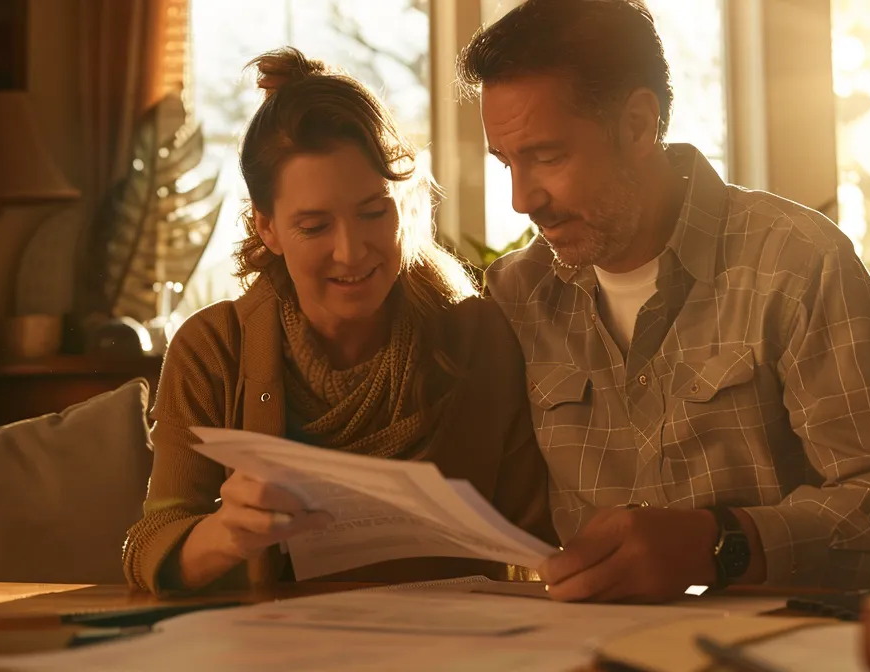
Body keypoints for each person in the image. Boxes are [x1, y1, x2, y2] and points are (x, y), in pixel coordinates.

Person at [459, 0, 870, 602]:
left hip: (772, 649)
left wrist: (721, 545)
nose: (522, 200)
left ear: (638, 125)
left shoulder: (795, 263)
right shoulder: (515, 295)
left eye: (548, 156)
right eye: (506, 161)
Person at [122, 47, 555, 594]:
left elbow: (536, 540)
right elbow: (149, 544)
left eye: (374, 212)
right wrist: (225, 533)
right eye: (314, 226)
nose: (351, 253)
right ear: (268, 229)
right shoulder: (213, 349)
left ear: (405, 203)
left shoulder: (477, 334)